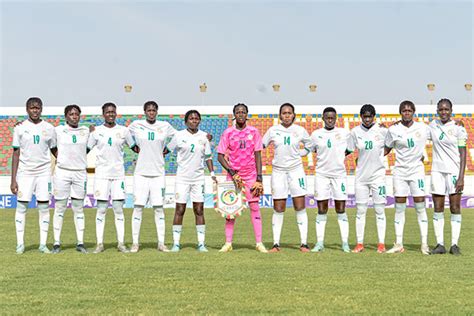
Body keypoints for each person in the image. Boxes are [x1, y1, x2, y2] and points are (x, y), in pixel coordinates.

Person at [217, 103, 267, 253]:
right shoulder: (228, 133)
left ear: (247, 115)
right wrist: (232, 172)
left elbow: (258, 154)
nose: (240, 114)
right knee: (230, 210)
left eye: (243, 112)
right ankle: (228, 243)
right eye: (238, 112)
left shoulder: (254, 132)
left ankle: (259, 243)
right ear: (234, 114)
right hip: (234, 177)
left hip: (251, 175)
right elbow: (220, 156)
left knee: (254, 207)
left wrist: (259, 177)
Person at [262, 103, 312, 253]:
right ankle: (276, 244)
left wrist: (300, 154)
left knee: (300, 206)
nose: (287, 115)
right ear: (280, 116)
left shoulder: (300, 130)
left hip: (296, 171)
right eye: (284, 113)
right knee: (278, 207)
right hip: (278, 171)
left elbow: (310, 146)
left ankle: (304, 243)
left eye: (289, 113)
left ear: (294, 115)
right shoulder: (273, 130)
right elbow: (261, 145)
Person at [87, 102, 137, 253]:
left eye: (113, 112)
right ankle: (100, 244)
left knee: (118, 208)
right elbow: (85, 149)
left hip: (118, 175)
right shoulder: (96, 131)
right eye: (108, 112)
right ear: (103, 114)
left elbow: (135, 147)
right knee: (101, 209)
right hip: (101, 175)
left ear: (116, 113)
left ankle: (121, 243)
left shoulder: (123, 131)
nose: (110, 114)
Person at [128, 101, 176, 253]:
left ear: (157, 112)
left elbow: (178, 136)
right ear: (144, 111)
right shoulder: (136, 125)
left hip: (158, 173)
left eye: (153, 110)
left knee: (159, 208)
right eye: (148, 110)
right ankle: (135, 243)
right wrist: (132, 146)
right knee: (138, 207)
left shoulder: (165, 126)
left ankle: (161, 243)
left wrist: (168, 149)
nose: (151, 112)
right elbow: (124, 133)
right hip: (141, 173)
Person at [11, 97, 57, 254]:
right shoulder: (19, 128)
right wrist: (13, 180)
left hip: (44, 173)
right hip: (25, 173)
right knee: (22, 207)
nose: (35, 110)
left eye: (37, 107)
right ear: (27, 109)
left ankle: (43, 244)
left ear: (42, 109)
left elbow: (54, 150)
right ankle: (20, 244)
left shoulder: (49, 128)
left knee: (44, 207)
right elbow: (16, 154)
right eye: (32, 108)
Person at [167, 110, 217, 252]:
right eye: (191, 118)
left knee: (199, 210)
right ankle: (176, 243)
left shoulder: (204, 137)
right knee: (180, 209)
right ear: (186, 121)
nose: (194, 121)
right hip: (182, 178)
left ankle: (201, 243)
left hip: (198, 178)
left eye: (196, 119)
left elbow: (208, 157)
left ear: (199, 121)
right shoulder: (179, 136)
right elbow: (166, 150)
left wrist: (212, 173)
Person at [385, 100, 430, 255]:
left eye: (409, 110)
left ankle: (424, 244)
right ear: (400, 112)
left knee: (420, 207)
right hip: (399, 172)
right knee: (399, 207)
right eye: (404, 111)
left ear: (414, 112)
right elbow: (386, 148)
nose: (407, 113)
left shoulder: (423, 128)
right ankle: (398, 243)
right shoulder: (393, 129)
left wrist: (457, 122)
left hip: (417, 171)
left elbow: (439, 131)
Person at [347, 104, 387, 253]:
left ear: (374, 117)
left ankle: (381, 244)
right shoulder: (355, 132)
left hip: (378, 177)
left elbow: (392, 142)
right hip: (361, 178)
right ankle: (359, 244)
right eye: (365, 116)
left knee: (379, 210)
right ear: (361, 117)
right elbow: (348, 150)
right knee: (360, 211)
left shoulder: (383, 131)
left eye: (370, 116)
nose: (368, 119)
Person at [428, 99, 467, 255]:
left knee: (455, 207)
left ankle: (454, 244)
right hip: (437, 171)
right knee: (437, 208)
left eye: (446, 109)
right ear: (437, 110)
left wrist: (461, 177)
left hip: (453, 172)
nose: (444, 112)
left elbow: (463, 153)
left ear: (451, 110)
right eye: (441, 109)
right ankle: (440, 244)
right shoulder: (432, 126)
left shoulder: (458, 128)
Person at [310, 107, 351, 253]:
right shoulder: (316, 134)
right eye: (327, 117)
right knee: (322, 209)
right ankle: (320, 243)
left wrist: (340, 156)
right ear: (323, 118)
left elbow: (351, 148)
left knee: (341, 209)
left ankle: (345, 243)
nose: (329, 120)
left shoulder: (344, 133)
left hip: (339, 175)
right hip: (321, 175)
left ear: (336, 118)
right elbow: (312, 149)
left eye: (332, 117)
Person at [51, 105, 90, 254]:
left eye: (76, 114)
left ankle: (80, 242)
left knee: (78, 208)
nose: (74, 116)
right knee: (60, 207)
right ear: (66, 116)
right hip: (62, 172)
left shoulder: (85, 131)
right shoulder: (58, 130)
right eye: (71, 114)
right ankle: (56, 243)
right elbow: (50, 144)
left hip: (80, 172)